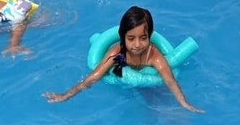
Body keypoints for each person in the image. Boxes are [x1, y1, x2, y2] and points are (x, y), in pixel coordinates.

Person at [43, 6, 202, 112]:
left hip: (148, 78)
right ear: (122, 38)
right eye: (131, 38)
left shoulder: (153, 55)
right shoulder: (117, 54)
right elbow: (94, 77)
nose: (137, 44)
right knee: (147, 106)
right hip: (124, 75)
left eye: (143, 38)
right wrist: (66, 95)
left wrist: (183, 103)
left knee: (163, 106)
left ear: (150, 36)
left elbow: (169, 80)